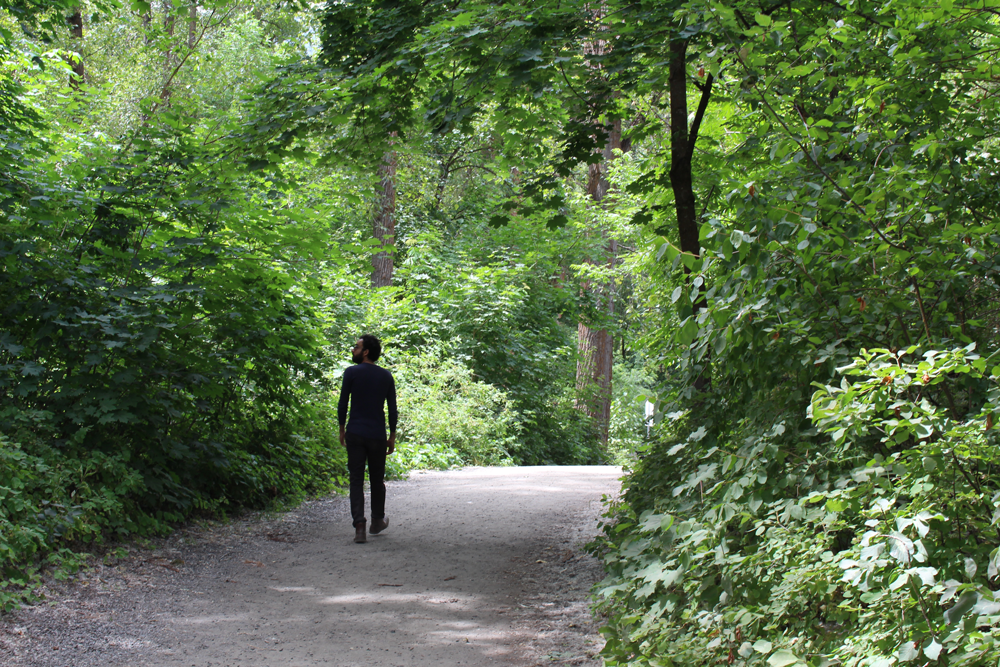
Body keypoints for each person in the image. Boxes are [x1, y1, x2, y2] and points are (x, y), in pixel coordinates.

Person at [338, 334, 397, 544]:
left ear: (366, 352)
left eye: (356, 347)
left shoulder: (351, 373)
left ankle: (359, 525)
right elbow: (392, 408)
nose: (353, 350)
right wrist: (392, 435)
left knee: (356, 479)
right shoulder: (386, 376)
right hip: (376, 434)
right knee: (376, 480)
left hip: (355, 431)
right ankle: (377, 520)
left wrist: (342, 428)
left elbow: (343, 403)